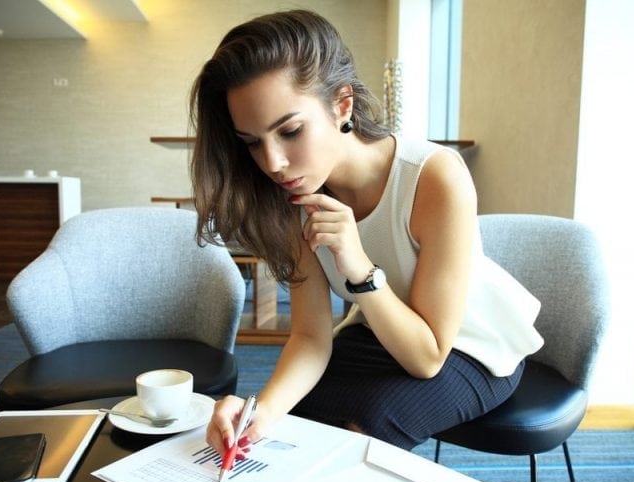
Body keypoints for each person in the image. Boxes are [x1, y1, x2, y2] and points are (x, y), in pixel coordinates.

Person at [189, 10, 543, 455]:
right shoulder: (293, 196)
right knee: (293, 425)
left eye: (291, 131)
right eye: (253, 143)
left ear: (343, 104)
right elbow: (310, 337)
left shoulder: (434, 178)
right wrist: (260, 411)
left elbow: (428, 358)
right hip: (379, 329)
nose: (273, 162)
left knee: (363, 428)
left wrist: (358, 267)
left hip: (472, 345)